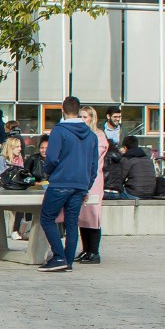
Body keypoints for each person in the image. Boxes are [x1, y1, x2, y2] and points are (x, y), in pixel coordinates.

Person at [37, 97, 99, 273]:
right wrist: (87, 184)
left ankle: (58, 256)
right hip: (80, 184)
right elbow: (94, 165)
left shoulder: (59, 131)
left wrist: (49, 173)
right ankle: (68, 260)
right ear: (79, 111)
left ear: (62, 111)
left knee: (47, 218)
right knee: (72, 223)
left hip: (61, 181)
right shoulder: (92, 136)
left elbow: (51, 158)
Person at [73, 108, 110, 263]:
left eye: (85, 117)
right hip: (81, 178)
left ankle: (94, 251)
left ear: (92, 118)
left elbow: (94, 157)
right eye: (80, 116)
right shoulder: (80, 135)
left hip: (93, 180)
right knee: (83, 216)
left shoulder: (98, 136)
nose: (82, 119)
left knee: (93, 214)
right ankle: (86, 249)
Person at [0, 137, 31, 240]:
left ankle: (27, 230)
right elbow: (0, 178)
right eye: (17, 147)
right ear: (11, 148)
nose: (20, 149)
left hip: (17, 189)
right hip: (5, 190)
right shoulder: (2, 160)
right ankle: (15, 230)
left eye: (20, 146)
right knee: (21, 204)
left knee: (30, 204)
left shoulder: (20, 160)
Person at [108, 136, 157, 200]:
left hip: (134, 195)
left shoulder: (127, 159)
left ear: (125, 148)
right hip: (150, 194)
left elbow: (120, 179)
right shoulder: (147, 159)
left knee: (109, 195)